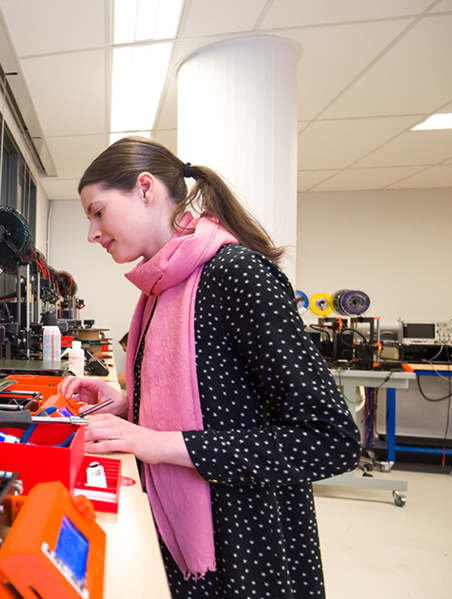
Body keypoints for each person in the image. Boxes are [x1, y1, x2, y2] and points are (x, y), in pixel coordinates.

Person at [56, 137, 359, 598]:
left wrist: (156, 443)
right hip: (184, 534)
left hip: (244, 546)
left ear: (145, 188)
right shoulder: (159, 290)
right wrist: (129, 404)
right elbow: (215, 400)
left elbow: (329, 441)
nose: (93, 233)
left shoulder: (236, 275)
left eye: (98, 212)